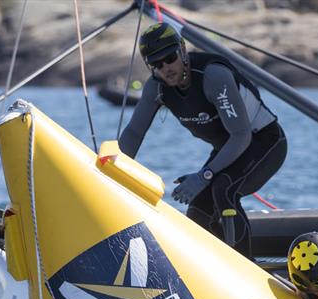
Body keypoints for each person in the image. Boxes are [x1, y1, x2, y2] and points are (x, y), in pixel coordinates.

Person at [119, 22, 287, 258]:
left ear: (183, 51)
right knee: (198, 210)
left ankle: (245, 265)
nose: (166, 67)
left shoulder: (213, 76)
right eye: (157, 63)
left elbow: (241, 136)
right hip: (228, 149)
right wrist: (109, 171)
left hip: (265, 142)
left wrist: (204, 176)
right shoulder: (155, 89)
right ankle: (216, 266)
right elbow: (134, 133)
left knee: (224, 188)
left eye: (170, 57)